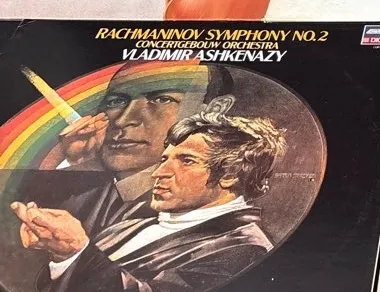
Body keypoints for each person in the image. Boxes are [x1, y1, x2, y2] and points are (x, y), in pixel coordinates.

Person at [9, 112, 285, 292]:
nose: (159, 173)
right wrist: (61, 253)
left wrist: (74, 253)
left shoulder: (245, 250)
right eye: (165, 159)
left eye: (186, 160)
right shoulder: (127, 225)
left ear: (230, 174)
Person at [21, 61, 234, 236]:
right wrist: (72, 160)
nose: (123, 120)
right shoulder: (88, 185)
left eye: (161, 99)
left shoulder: (209, 209)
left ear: (214, 111)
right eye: (116, 101)